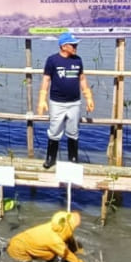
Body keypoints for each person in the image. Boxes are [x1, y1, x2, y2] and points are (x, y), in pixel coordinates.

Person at [38, 32, 94, 168]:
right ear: (63, 46)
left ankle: (73, 158)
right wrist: (42, 98)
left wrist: (88, 96)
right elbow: (46, 79)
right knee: (54, 130)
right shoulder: (52, 60)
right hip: (57, 102)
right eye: (73, 45)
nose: (75, 47)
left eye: (76, 45)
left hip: (74, 102)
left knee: (73, 131)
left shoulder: (78, 60)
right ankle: (51, 158)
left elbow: (82, 78)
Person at [6, 211, 89, 262]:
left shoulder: (55, 226)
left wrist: (76, 250)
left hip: (20, 239)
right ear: (67, 227)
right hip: (18, 250)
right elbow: (71, 258)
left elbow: (69, 236)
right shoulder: (55, 241)